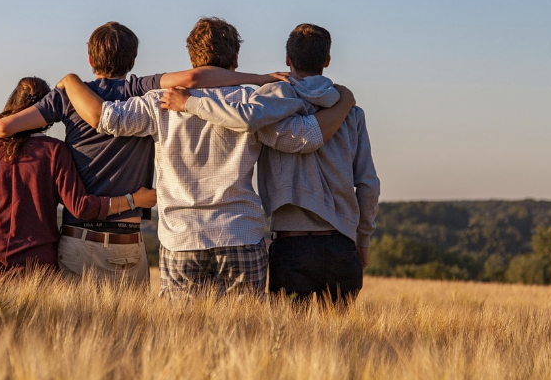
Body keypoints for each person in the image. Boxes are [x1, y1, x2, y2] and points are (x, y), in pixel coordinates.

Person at [56, 17, 356, 298]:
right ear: (235, 60)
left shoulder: (159, 102)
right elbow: (304, 138)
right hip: (240, 233)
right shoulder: (252, 103)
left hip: (181, 238)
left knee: (182, 338)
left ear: (191, 59)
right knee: (245, 336)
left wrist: (71, 81)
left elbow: (106, 119)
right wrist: (344, 103)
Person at [0, 21, 287, 286]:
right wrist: (259, 79)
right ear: (133, 60)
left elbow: (0, 130)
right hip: (128, 241)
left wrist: (66, 88)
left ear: (90, 59)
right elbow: (195, 79)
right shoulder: (141, 89)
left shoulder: (68, 96)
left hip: (78, 238)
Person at [161, 23, 379, 305]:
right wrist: (363, 239)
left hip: (291, 245)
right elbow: (368, 184)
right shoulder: (351, 112)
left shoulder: (268, 104)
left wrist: (190, 103)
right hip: (342, 244)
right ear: (327, 60)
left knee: (287, 341)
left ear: (288, 59)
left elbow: (248, 120)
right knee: (340, 343)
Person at [0, 76, 156, 280]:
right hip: (35, 269)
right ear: (47, 111)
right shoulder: (54, 151)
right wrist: (134, 200)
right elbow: (81, 207)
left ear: (13, 103)